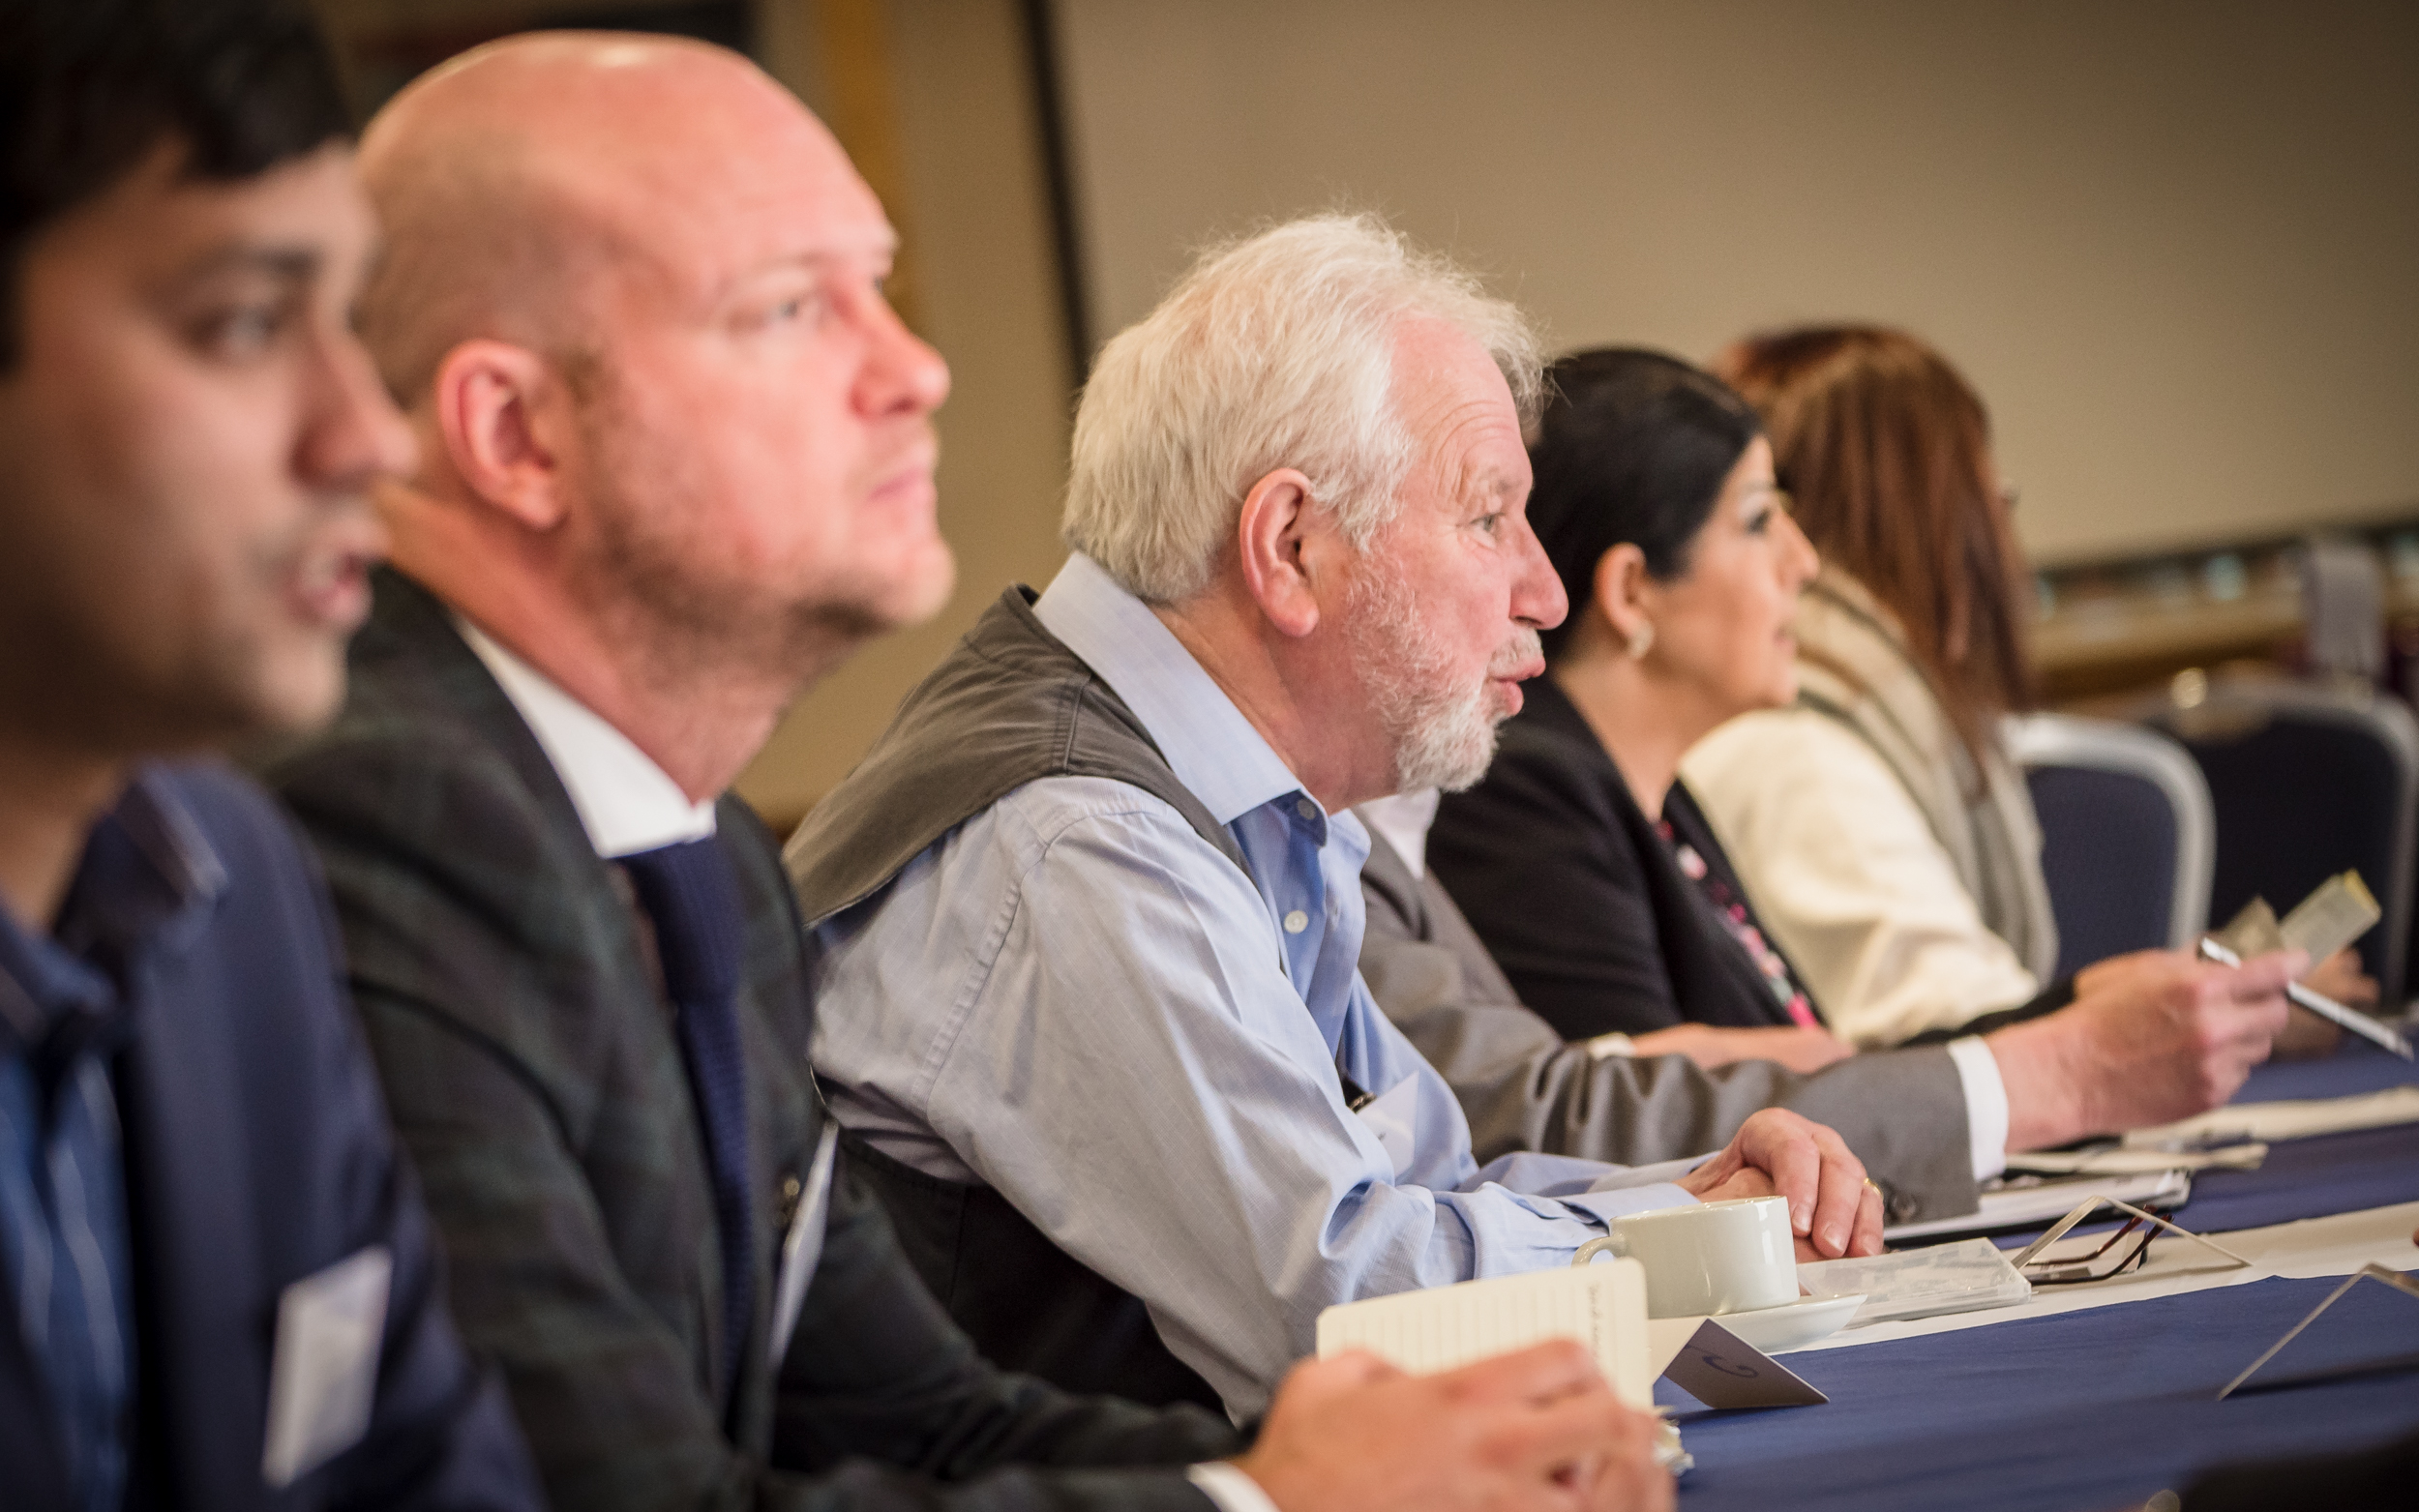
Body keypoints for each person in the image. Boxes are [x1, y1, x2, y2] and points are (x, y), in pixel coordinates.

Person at [254, 30, 1672, 1512]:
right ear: (515, 433)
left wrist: (1324, 1474)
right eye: (792, 306)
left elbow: (917, 1418)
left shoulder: (698, 842)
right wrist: (1270, 1501)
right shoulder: (391, 826)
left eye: (879, 287)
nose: (916, 366)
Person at [788, 217, 1885, 1422]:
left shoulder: (1218, 794)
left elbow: (1422, 1179)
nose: (1542, 589)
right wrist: (1680, 1238)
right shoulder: (1081, 839)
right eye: (1488, 518)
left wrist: (1696, 1198)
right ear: (1291, 546)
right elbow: (1353, 1309)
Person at [0, 0, 545, 1507]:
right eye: (243, 321)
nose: (367, 435)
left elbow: (421, 1466)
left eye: (348, 322)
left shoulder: (236, 885)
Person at [1427, 348, 2300, 1182]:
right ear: (1632, 592)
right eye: (1759, 521)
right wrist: (2074, 1045)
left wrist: (2080, 1006)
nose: (1804, 562)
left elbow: (1818, 1062)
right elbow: (1664, 1134)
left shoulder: (1654, 794)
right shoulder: (1533, 791)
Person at [1687, 325, 2372, 1050]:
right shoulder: (1793, 751)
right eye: (1992, 497)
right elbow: (1959, 1036)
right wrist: (2220, 1010)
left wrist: (2204, 992)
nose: (2003, 531)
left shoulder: (1841, 718)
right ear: (1929, 520)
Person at [1356, 792, 1986, 1224]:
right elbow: (1520, 1113)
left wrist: (1688, 1192)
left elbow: (1449, 1165)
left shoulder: (1666, 795)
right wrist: (1683, 1206)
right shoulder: (1534, 786)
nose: (1532, 643)